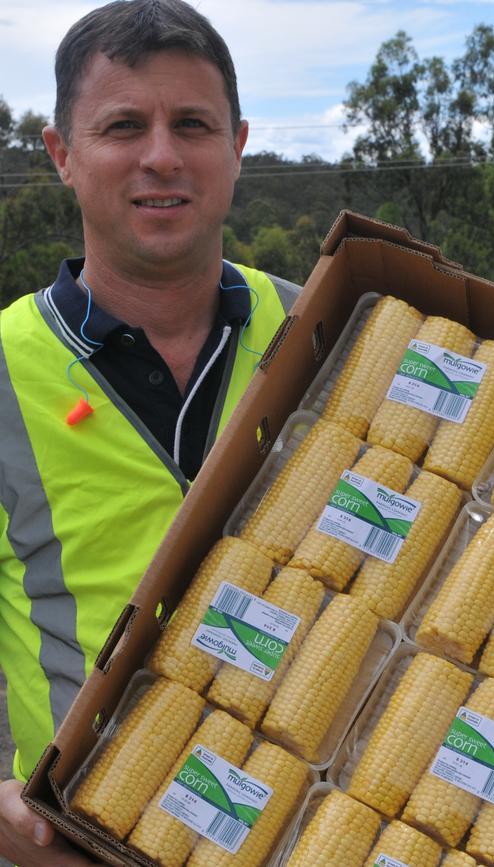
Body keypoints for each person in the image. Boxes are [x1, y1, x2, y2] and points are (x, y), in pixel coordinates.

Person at [0, 1, 300, 862]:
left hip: (307, 827)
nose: (161, 155)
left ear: (238, 146)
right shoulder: (4, 368)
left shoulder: (325, 329)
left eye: (193, 124)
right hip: (83, 839)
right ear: (62, 154)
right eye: (124, 125)